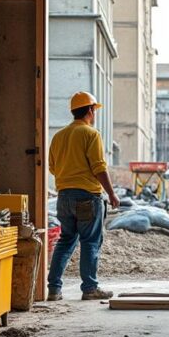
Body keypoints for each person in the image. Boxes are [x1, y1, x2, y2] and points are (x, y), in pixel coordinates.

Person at [47, 91, 120, 301]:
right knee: (90, 242)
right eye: (94, 110)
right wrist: (111, 193)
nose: (94, 113)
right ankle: (89, 288)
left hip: (64, 197)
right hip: (87, 197)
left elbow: (52, 168)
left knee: (65, 240)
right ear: (89, 110)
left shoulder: (59, 136)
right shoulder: (91, 134)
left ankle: (54, 289)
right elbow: (99, 168)